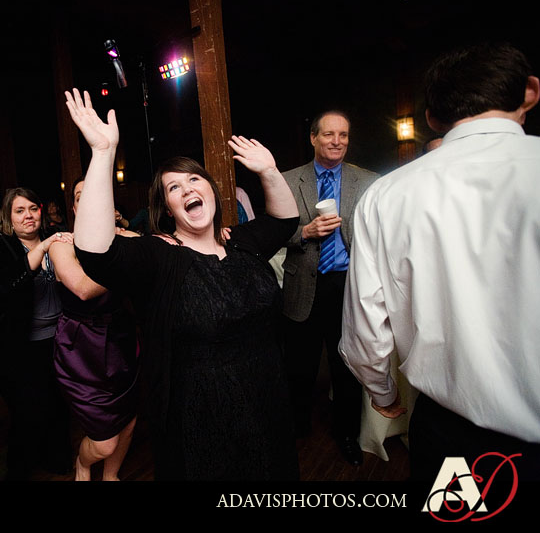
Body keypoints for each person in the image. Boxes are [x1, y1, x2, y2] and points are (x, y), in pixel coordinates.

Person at [65, 88, 300, 480]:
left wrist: (270, 171)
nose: (188, 188)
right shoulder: (160, 257)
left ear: (210, 190)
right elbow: (95, 253)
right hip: (200, 418)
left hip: (265, 396)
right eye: (174, 188)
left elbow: (284, 222)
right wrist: (104, 153)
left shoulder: (239, 241)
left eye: (194, 179)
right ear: (167, 207)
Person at [339, 41, 540, 481]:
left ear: (432, 117)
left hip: (454, 440)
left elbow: (365, 333)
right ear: (530, 92)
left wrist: (383, 393)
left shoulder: (387, 195)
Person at [280, 110, 378, 466]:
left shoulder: (367, 181)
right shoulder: (288, 181)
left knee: (346, 366)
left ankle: (347, 434)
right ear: (313, 138)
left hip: (349, 286)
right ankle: (298, 427)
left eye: (344, 135)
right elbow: (275, 231)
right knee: (299, 366)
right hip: (303, 286)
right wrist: (305, 232)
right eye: (329, 135)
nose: (337, 141)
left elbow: (376, 237)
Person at [0, 187, 73, 479]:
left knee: (57, 401)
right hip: (15, 343)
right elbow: (2, 289)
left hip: (56, 337)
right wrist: (40, 251)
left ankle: (56, 460)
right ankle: (19, 469)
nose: (28, 215)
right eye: (20, 210)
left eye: (33, 208)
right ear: (8, 216)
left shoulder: (56, 237)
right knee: (28, 408)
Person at [51, 176, 140, 481]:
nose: (89, 200)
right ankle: (83, 464)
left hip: (122, 340)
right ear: (75, 207)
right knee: (103, 441)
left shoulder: (130, 238)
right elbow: (83, 289)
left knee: (128, 418)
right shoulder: (63, 245)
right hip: (81, 347)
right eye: (80, 196)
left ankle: (111, 475)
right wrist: (125, 254)